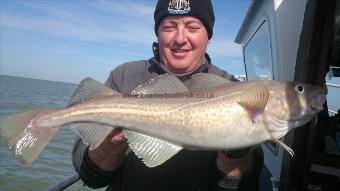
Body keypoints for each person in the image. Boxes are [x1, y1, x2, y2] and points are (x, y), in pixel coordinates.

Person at [72, 0, 263, 190]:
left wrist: (236, 155)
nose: (180, 38)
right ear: (158, 33)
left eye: (192, 27)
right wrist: (111, 143)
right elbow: (91, 178)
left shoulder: (235, 90)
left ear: (209, 36)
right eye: (169, 27)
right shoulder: (122, 77)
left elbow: (243, 185)